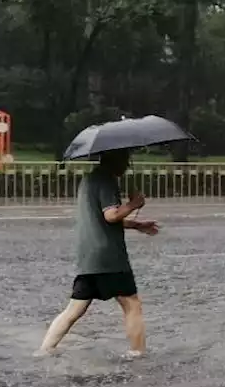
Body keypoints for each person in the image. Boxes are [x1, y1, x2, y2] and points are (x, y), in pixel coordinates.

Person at [37, 148, 160, 357]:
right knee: (132, 304)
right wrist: (134, 204)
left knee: (75, 309)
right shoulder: (106, 181)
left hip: (89, 255)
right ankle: (138, 353)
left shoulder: (89, 180)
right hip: (109, 257)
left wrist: (136, 224)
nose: (127, 165)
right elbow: (111, 216)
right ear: (116, 160)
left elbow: (99, 219)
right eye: (126, 160)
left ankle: (44, 349)